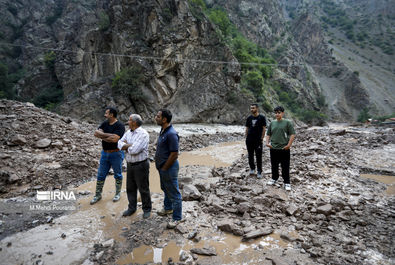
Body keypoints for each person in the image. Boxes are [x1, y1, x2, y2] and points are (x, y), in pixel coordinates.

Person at [118, 114, 151, 219]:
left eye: (129, 120)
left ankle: (147, 209)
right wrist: (128, 146)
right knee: (130, 188)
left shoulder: (143, 134)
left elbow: (135, 150)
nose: (128, 122)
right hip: (130, 164)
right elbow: (118, 143)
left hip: (141, 165)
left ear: (135, 122)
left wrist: (126, 146)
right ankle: (132, 208)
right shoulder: (128, 132)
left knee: (143, 188)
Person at [90, 107, 125, 204]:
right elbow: (96, 133)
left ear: (111, 115)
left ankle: (117, 194)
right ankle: (97, 195)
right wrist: (108, 136)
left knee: (117, 174)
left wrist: (103, 135)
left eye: (106, 113)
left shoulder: (120, 126)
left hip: (116, 153)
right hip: (105, 153)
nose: (105, 115)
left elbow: (114, 139)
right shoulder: (105, 123)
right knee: (101, 175)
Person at [154, 109, 182, 229]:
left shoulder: (171, 134)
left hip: (169, 168)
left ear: (164, 119)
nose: (156, 117)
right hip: (163, 167)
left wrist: (165, 168)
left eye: (158, 116)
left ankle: (177, 218)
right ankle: (168, 208)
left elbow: (174, 153)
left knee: (174, 193)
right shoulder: (163, 130)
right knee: (165, 188)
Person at [266, 106, 296, 191]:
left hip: (284, 148)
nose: (277, 114)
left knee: (285, 166)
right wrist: (267, 143)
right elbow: (268, 134)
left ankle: (287, 182)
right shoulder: (272, 123)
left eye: (279, 112)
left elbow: (292, 134)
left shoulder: (287, 122)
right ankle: (274, 178)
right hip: (273, 148)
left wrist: (289, 145)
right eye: (275, 113)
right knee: (274, 165)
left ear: (282, 113)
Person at [245, 103, 267, 179]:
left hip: (258, 140)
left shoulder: (262, 117)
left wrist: (262, 138)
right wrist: (246, 137)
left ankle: (259, 171)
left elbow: (264, 128)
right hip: (249, 139)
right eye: (251, 108)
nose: (252, 109)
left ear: (257, 108)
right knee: (250, 155)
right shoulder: (249, 118)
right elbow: (247, 128)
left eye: (253, 108)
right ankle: (252, 168)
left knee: (258, 156)